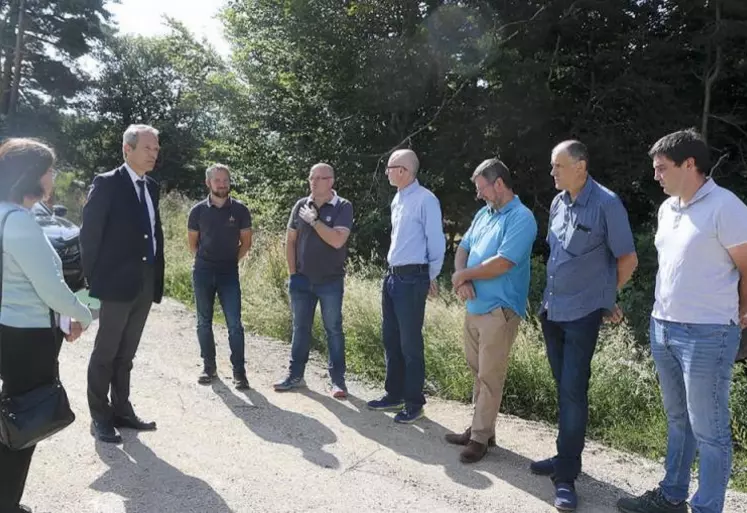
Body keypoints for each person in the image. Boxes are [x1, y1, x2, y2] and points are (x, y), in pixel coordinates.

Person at [617, 129, 747, 513]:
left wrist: (743, 311)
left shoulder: (727, 206)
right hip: (664, 327)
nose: (656, 175)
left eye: (661, 168)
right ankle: (672, 496)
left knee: (710, 430)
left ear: (690, 164)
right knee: (679, 419)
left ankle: (707, 507)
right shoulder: (667, 208)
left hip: (709, 332)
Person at [533, 140, 638, 511]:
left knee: (574, 392)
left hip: (582, 316)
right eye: (552, 166)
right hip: (553, 311)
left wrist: (604, 298)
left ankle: (566, 477)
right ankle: (565, 457)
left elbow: (627, 258)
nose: (552, 173)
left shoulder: (607, 204)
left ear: (581, 166)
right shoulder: (559, 203)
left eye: (558, 166)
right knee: (565, 390)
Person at [0, 138, 93, 513]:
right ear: (32, 176)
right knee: (24, 422)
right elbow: (51, 288)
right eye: (50, 170)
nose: (53, 177)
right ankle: (6, 503)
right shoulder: (19, 222)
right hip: (28, 337)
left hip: (8, 327)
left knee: (11, 414)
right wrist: (83, 315)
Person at [445, 158, 537, 463]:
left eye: (481, 188)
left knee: (489, 375)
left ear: (498, 184)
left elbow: (504, 262)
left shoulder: (522, 218)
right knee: (478, 371)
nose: (479, 195)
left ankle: (479, 438)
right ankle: (481, 428)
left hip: (500, 310)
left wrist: (465, 276)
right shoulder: (484, 214)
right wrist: (462, 279)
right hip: (474, 306)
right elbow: (463, 248)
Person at [80, 124, 165, 444]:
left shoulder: (152, 186)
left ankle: (122, 410)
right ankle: (99, 416)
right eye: (148, 148)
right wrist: (92, 284)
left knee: (126, 353)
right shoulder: (106, 183)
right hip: (114, 283)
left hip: (144, 281)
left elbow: (153, 232)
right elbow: (90, 236)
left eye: (156, 149)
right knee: (106, 352)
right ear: (127, 149)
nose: (154, 154)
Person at [367, 149, 446, 423]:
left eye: (390, 167)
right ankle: (394, 394)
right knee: (391, 338)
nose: (386, 171)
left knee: (410, 343)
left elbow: (436, 242)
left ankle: (414, 402)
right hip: (392, 276)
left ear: (404, 170)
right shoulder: (398, 199)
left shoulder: (426, 200)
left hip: (413, 277)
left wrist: (430, 276)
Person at [273, 163, 353, 398]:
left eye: (320, 178)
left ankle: (338, 381)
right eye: (311, 178)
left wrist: (316, 222)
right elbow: (290, 241)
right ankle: (295, 376)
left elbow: (337, 240)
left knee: (333, 329)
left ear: (331, 181)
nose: (314, 182)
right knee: (300, 329)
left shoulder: (343, 207)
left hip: (330, 280)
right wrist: (292, 273)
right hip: (302, 280)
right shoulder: (300, 205)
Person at [187, 164, 252, 389]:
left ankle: (239, 372)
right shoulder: (197, 211)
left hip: (229, 272)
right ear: (208, 183)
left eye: (225, 180)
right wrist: (206, 260)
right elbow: (192, 243)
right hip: (203, 271)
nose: (222, 184)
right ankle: (209, 366)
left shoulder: (241, 210)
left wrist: (230, 261)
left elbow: (246, 243)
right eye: (217, 180)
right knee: (203, 321)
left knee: (234, 323)